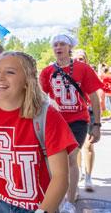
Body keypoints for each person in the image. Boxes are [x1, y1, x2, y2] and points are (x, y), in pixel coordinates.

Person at [0, 51, 78, 213]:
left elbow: (61, 177)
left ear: (27, 81)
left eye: (10, 72)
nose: (0, 78)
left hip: (36, 206)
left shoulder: (47, 117)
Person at [40, 35, 103, 213]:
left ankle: (70, 199)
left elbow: (94, 98)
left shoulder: (83, 68)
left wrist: (97, 125)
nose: (58, 47)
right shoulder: (47, 72)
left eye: (62, 44)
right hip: (55, 120)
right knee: (54, 161)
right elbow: (41, 98)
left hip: (78, 120)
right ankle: (57, 195)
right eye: (55, 44)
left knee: (70, 158)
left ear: (70, 47)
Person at [72, 49, 96, 192]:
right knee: (77, 147)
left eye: (81, 58)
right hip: (75, 115)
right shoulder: (67, 74)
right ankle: (79, 170)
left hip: (89, 112)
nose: (79, 61)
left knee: (88, 145)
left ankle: (88, 176)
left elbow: (98, 92)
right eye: (76, 59)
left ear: (86, 60)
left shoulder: (89, 73)